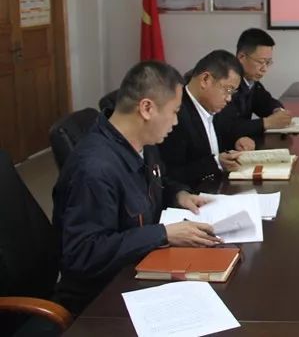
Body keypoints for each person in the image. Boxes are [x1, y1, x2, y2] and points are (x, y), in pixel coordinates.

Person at [52, 61, 221, 315]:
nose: (176, 122)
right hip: (101, 299)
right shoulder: (94, 169)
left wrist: (178, 194)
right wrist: (163, 234)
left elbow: (156, 183)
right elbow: (84, 253)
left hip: (142, 267)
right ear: (147, 108)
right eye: (174, 111)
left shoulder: (142, 142)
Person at [158, 50, 253, 189]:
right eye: (227, 90)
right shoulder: (175, 115)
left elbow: (229, 130)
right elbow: (170, 175)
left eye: (233, 92)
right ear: (205, 80)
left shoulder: (217, 107)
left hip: (220, 188)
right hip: (193, 195)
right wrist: (216, 163)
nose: (229, 98)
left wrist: (239, 140)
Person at [214, 28, 291, 150]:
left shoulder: (250, 82)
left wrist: (277, 110)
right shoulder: (225, 83)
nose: (264, 69)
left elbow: (266, 102)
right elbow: (226, 127)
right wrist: (267, 123)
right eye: (261, 62)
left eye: (268, 63)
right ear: (241, 57)